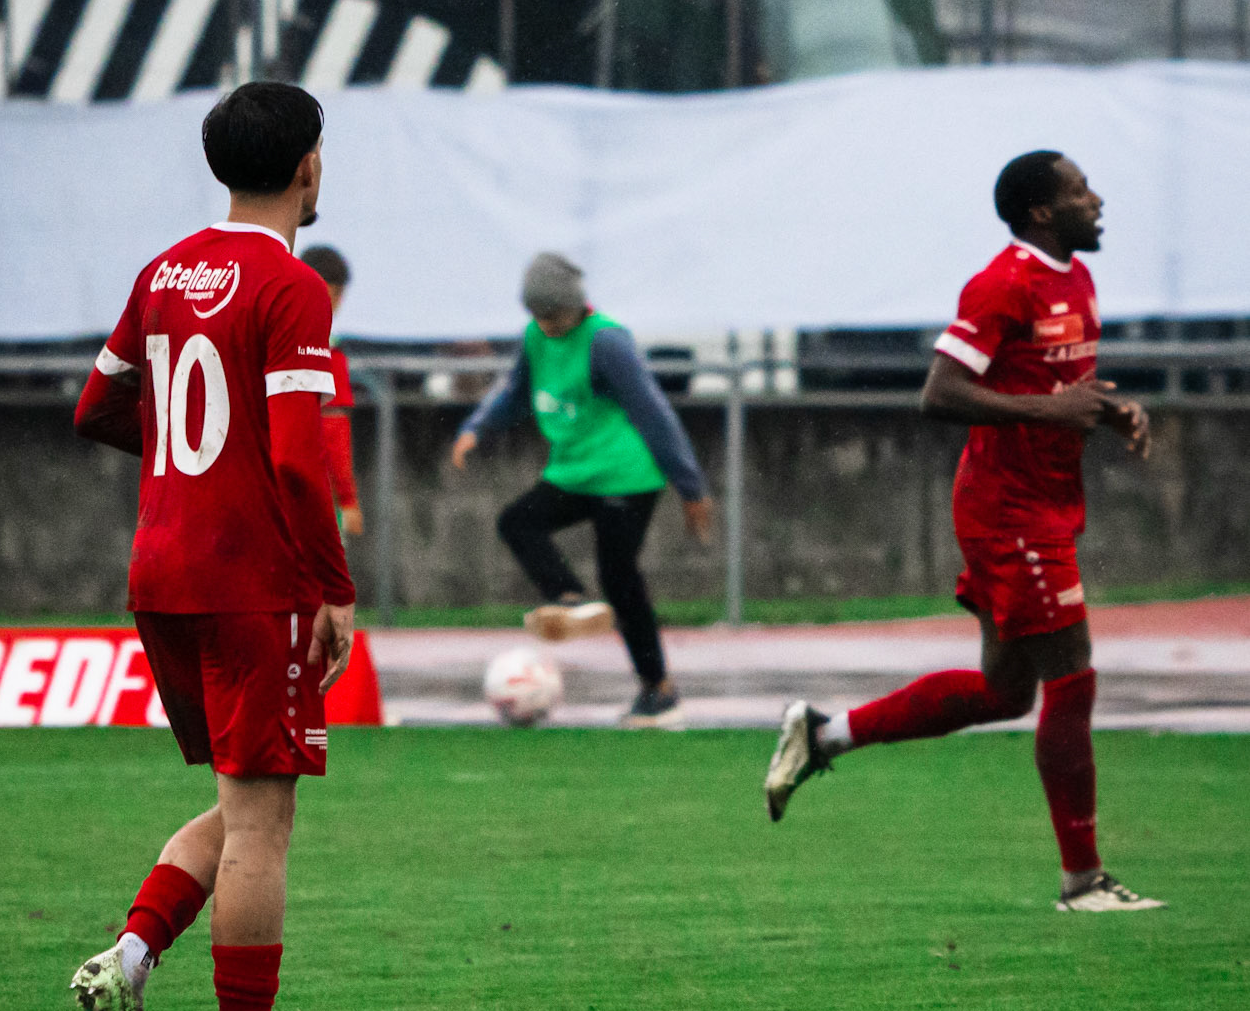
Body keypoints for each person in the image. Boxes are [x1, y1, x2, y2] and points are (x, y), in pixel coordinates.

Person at [765, 150, 1164, 915]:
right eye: (1080, 190)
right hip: (1008, 511)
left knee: (1004, 692)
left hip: (1044, 501)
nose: (1096, 199)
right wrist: (1051, 411)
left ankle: (823, 735)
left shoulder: (1076, 279)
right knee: (1071, 676)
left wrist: (1106, 410)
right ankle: (1082, 882)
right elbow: (939, 393)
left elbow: (1050, 385)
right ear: (1041, 212)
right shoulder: (1002, 284)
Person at [69, 81, 359, 1011]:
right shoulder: (292, 286)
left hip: (162, 570)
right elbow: (296, 462)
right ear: (308, 166)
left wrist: (189, 467)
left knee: (242, 802)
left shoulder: (164, 271)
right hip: (250, 580)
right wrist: (335, 588)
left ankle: (128, 961)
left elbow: (96, 406)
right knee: (264, 823)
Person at [452, 251, 714, 726]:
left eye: (555, 316)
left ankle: (659, 689)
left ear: (576, 306)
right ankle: (569, 596)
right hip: (573, 471)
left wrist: (690, 486)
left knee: (619, 576)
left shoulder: (606, 341)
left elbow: (653, 412)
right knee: (518, 522)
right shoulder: (535, 336)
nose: (548, 325)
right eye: (539, 316)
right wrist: (477, 427)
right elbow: (514, 392)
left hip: (625, 473)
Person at [300, 243, 364, 537]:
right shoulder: (327, 352)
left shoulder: (266, 339)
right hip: (313, 495)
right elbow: (333, 427)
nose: (338, 303)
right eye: (336, 293)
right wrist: (348, 500)